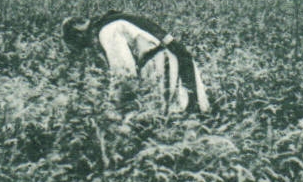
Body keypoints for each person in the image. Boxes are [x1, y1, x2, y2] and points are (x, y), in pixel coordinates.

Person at [61, 12, 211, 116]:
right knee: (186, 106)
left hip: (160, 63)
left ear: (79, 34)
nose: (91, 46)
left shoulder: (106, 32)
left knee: (168, 113)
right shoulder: (113, 20)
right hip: (169, 56)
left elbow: (125, 73)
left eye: (84, 44)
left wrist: (114, 105)